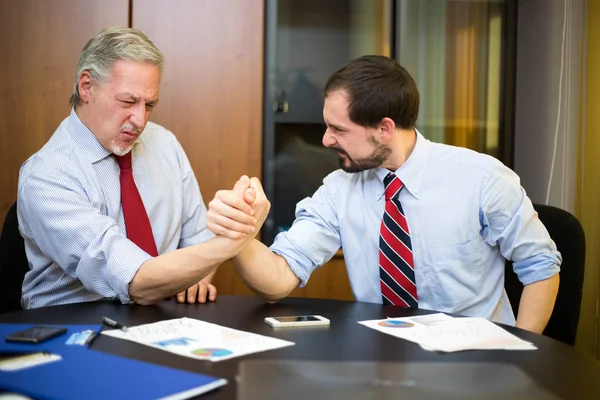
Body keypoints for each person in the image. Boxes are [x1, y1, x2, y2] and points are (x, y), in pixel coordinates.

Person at [207, 55, 561, 334]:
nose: (326, 140)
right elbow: (279, 279)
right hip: (382, 365)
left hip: (477, 368)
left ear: (384, 128)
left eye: (338, 129)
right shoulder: (338, 190)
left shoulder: (482, 179)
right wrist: (241, 232)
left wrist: (518, 355)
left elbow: (541, 267)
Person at [17, 27, 255, 309]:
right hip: (75, 329)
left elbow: (197, 240)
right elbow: (135, 280)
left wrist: (197, 276)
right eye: (128, 101)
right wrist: (233, 242)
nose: (140, 119)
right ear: (86, 87)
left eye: (149, 104)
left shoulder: (164, 143)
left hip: (162, 322)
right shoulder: (47, 176)